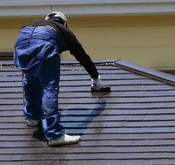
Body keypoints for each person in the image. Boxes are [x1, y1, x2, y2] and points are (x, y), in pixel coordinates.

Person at [13, 11, 106, 146]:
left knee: (30, 78)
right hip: (45, 40)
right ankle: (54, 135)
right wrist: (95, 77)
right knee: (49, 87)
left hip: (22, 38)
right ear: (64, 23)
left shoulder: (35, 24)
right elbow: (82, 57)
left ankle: (32, 117)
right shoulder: (64, 31)